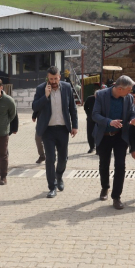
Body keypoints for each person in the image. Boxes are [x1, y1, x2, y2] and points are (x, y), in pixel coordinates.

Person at [31, 66, 79, 198]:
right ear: (48, 78)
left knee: (63, 158)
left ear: (60, 77)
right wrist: (45, 96)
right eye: (50, 79)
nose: (53, 81)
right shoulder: (41, 89)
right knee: (50, 159)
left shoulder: (67, 87)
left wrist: (75, 125)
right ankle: (52, 187)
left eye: (55, 78)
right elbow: (34, 106)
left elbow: (72, 108)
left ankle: (59, 176)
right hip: (48, 130)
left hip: (63, 129)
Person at [92, 75, 135, 210]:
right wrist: (109, 121)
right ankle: (105, 187)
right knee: (104, 164)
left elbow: (131, 112)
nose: (130, 93)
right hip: (104, 135)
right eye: (128, 90)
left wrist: (133, 119)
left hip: (120, 136)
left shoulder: (128, 98)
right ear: (119, 88)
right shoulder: (101, 95)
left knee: (120, 166)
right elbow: (94, 115)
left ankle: (116, 197)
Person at [83, 88, 99, 154]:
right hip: (90, 119)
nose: (96, 97)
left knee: (98, 134)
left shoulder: (102, 99)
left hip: (99, 120)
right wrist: (88, 114)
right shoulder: (90, 99)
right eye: (96, 96)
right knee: (90, 134)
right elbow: (85, 107)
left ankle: (98, 149)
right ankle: (92, 147)